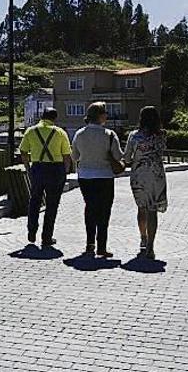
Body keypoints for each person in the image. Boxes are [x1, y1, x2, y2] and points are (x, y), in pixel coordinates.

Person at [71, 102, 123, 257]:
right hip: (105, 176)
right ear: (101, 116)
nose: (107, 115)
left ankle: (89, 244)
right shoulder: (109, 135)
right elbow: (119, 156)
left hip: (85, 177)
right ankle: (102, 246)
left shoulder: (79, 134)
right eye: (105, 113)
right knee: (104, 212)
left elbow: (75, 156)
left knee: (90, 209)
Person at [19, 107, 72, 246]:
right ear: (54, 119)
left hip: (37, 168)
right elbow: (67, 156)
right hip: (55, 169)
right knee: (52, 204)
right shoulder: (60, 132)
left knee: (34, 201)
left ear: (42, 117)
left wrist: (28, 168)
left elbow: (23, 152)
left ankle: (31, 231)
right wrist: (64, 173)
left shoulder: (31, 131)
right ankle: (46, 237)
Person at [124, 106, 168, 260]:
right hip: (156, 176)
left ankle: (143, 237)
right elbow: (161, 152)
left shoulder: (134, 136)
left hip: (139, 176)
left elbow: (127, 158)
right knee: (153, 210)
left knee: (142, 208)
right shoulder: (161, 135)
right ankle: (151, 246)